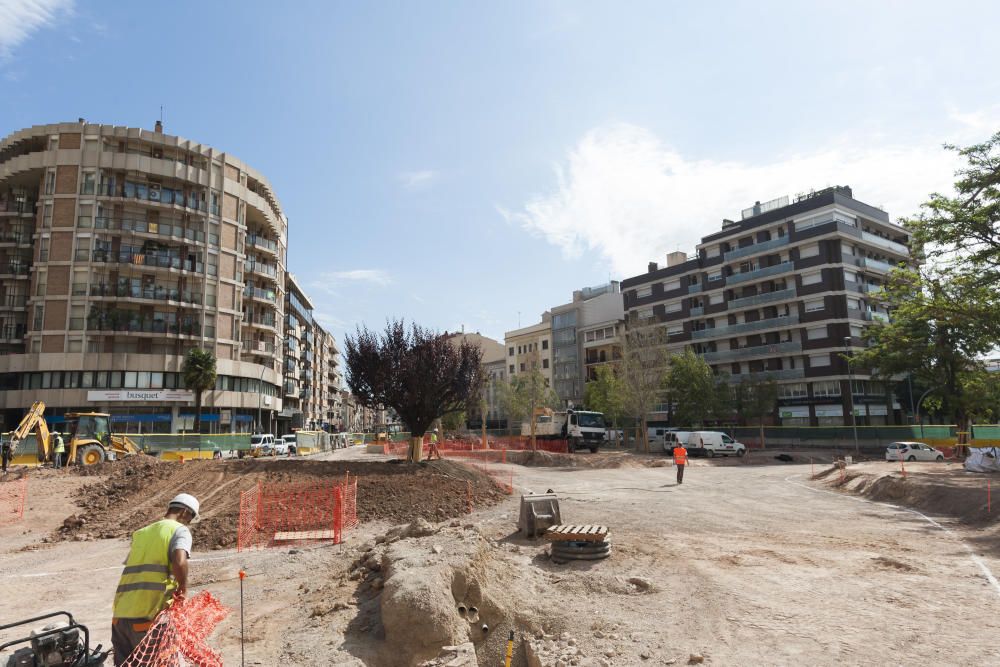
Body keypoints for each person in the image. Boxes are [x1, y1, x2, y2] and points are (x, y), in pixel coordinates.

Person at [111, 494, 199, 666]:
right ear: (184, 512)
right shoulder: (179, 530)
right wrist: (183, 588)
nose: (188, 522)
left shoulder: (141, 534)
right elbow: (180, 561)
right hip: (149, 618)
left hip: (120, 618)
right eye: (190, 518)